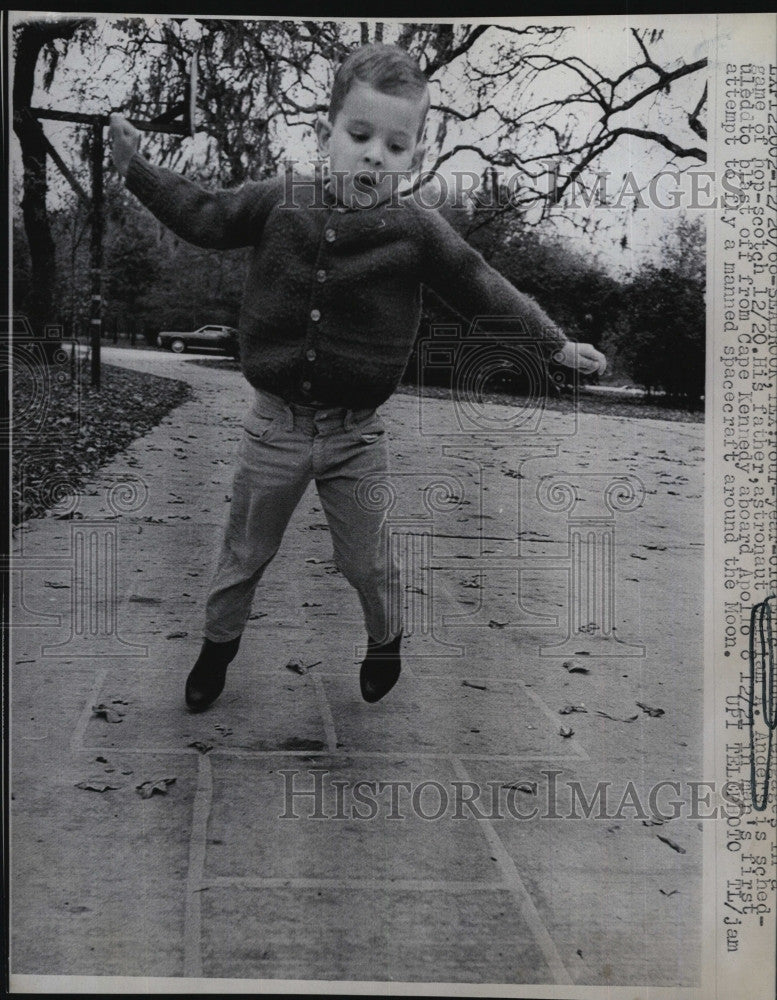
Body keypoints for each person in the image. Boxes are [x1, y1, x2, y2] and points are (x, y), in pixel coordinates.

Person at [109, 42, 606, 712]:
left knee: (366, 561)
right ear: (327, 136)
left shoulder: (416, 230)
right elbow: (203, 214)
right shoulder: (279, 201)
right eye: (360, 135)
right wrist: (136, 168)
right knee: (244, 553)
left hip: (354, 440)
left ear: (415, 157)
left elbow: (479, 284)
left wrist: (551, 344)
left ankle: (385, 638)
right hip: (273, 429)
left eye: (395, 146)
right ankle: (217, 647)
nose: (375, 155)